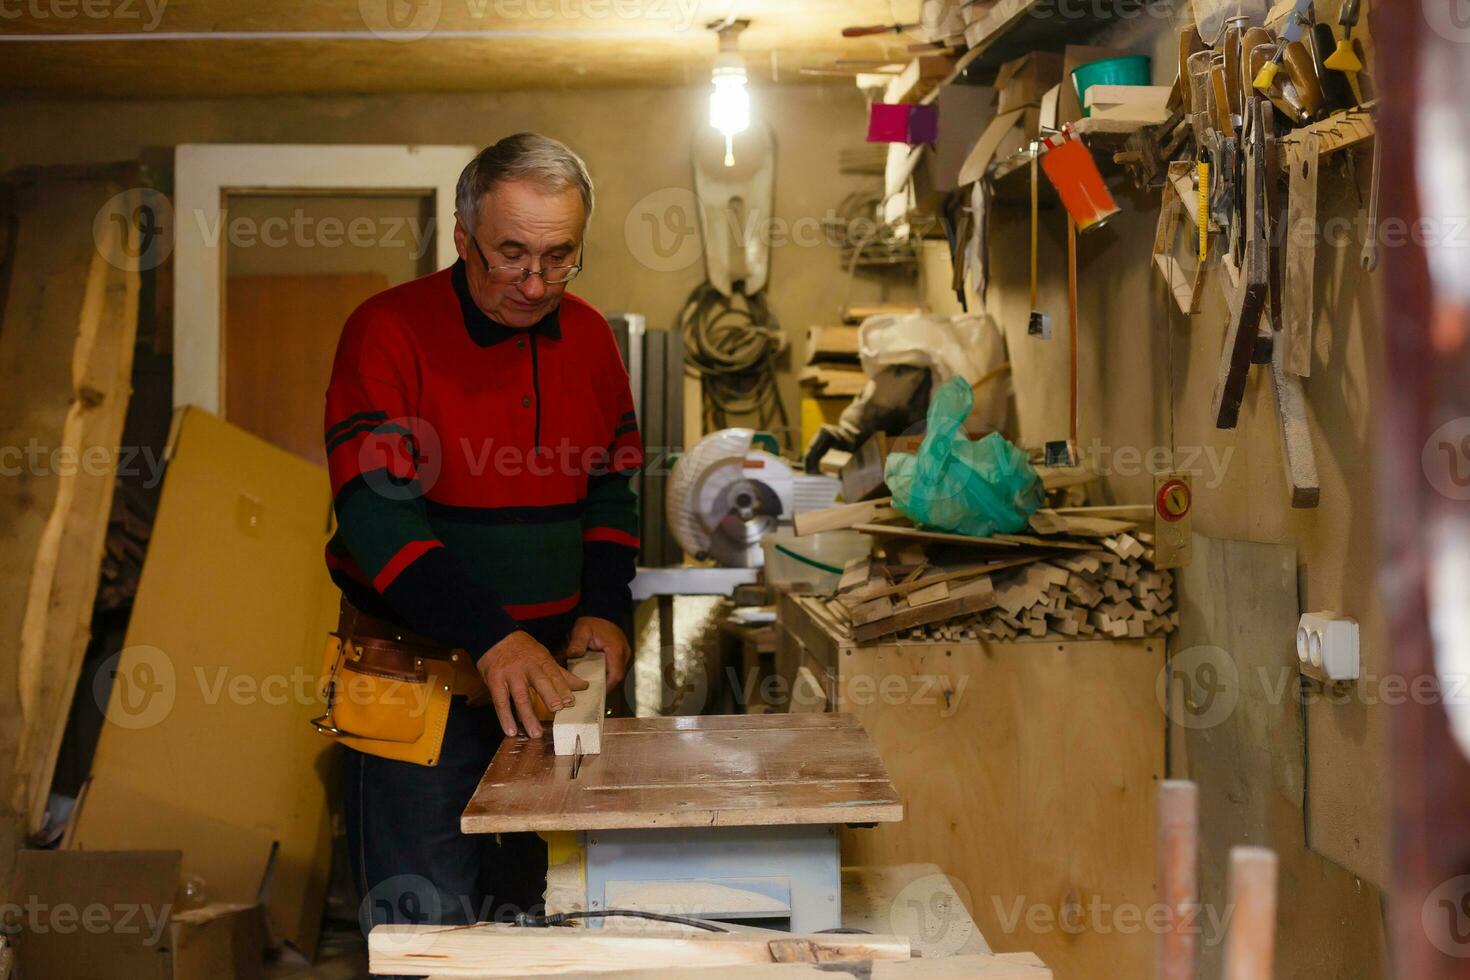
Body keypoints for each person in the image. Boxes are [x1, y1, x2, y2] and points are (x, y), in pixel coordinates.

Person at [318, 133, 642, 929]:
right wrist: (490, 635)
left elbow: (612, 482)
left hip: (549, 692)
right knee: (425, 938)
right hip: (414, 683)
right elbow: (377, 518)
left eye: (561, 256)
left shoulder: (593, 337)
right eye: (511, 255)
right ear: (462, 238)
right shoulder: (386, 331)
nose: (536, 283)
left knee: (548, 925)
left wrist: (604, 602)